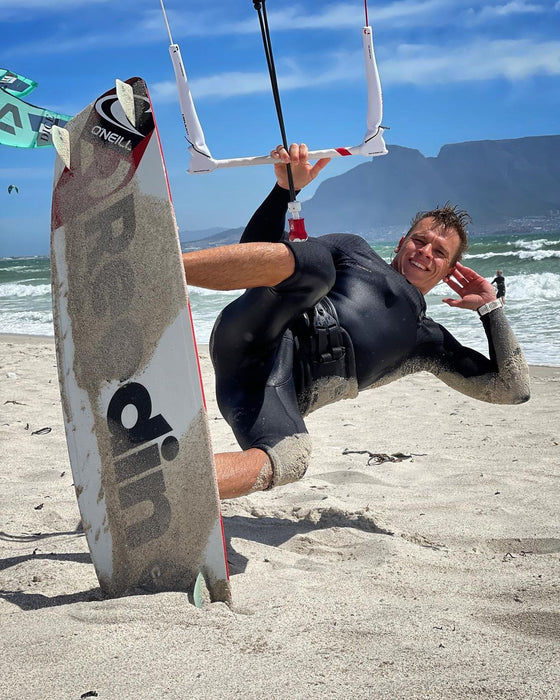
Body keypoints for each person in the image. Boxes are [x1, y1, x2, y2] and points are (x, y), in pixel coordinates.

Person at [183, 144, 530, 500]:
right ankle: (171, 269)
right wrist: (284, 190)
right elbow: (256, 254)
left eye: (439, 252)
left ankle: (175, 485)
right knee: (317, 265)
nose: (425, 252)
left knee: (291, 457)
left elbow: (513, 389)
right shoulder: (355, 250)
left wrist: (491, 309)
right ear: (402, 243)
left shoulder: (427, 342)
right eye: (419, 240)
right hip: (259, 331)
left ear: (449, 271)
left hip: (262, 391)